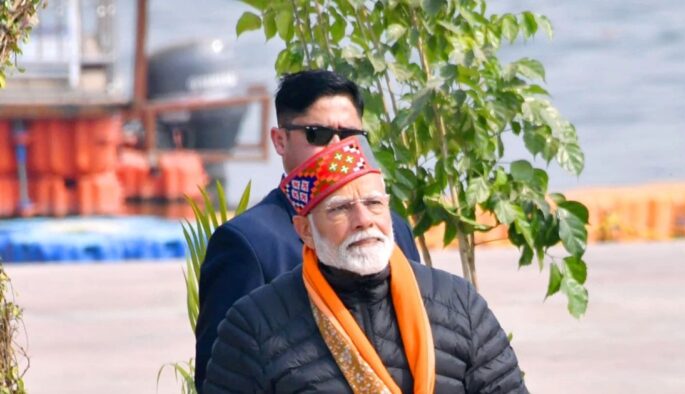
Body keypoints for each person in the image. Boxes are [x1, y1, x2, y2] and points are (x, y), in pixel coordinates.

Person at [204, 136, 527, 393]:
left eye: (374, 204)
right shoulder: (254, 325)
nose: (363, 221)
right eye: (340, 209)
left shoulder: (458, 303)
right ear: (306, 232)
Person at [195, 70, 421, 390]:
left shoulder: (392, 227)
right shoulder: (248, 243)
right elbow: (220, 374)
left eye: (349, 135)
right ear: (279, 140)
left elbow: (426, 323)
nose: (335, 147)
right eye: (317, 134)